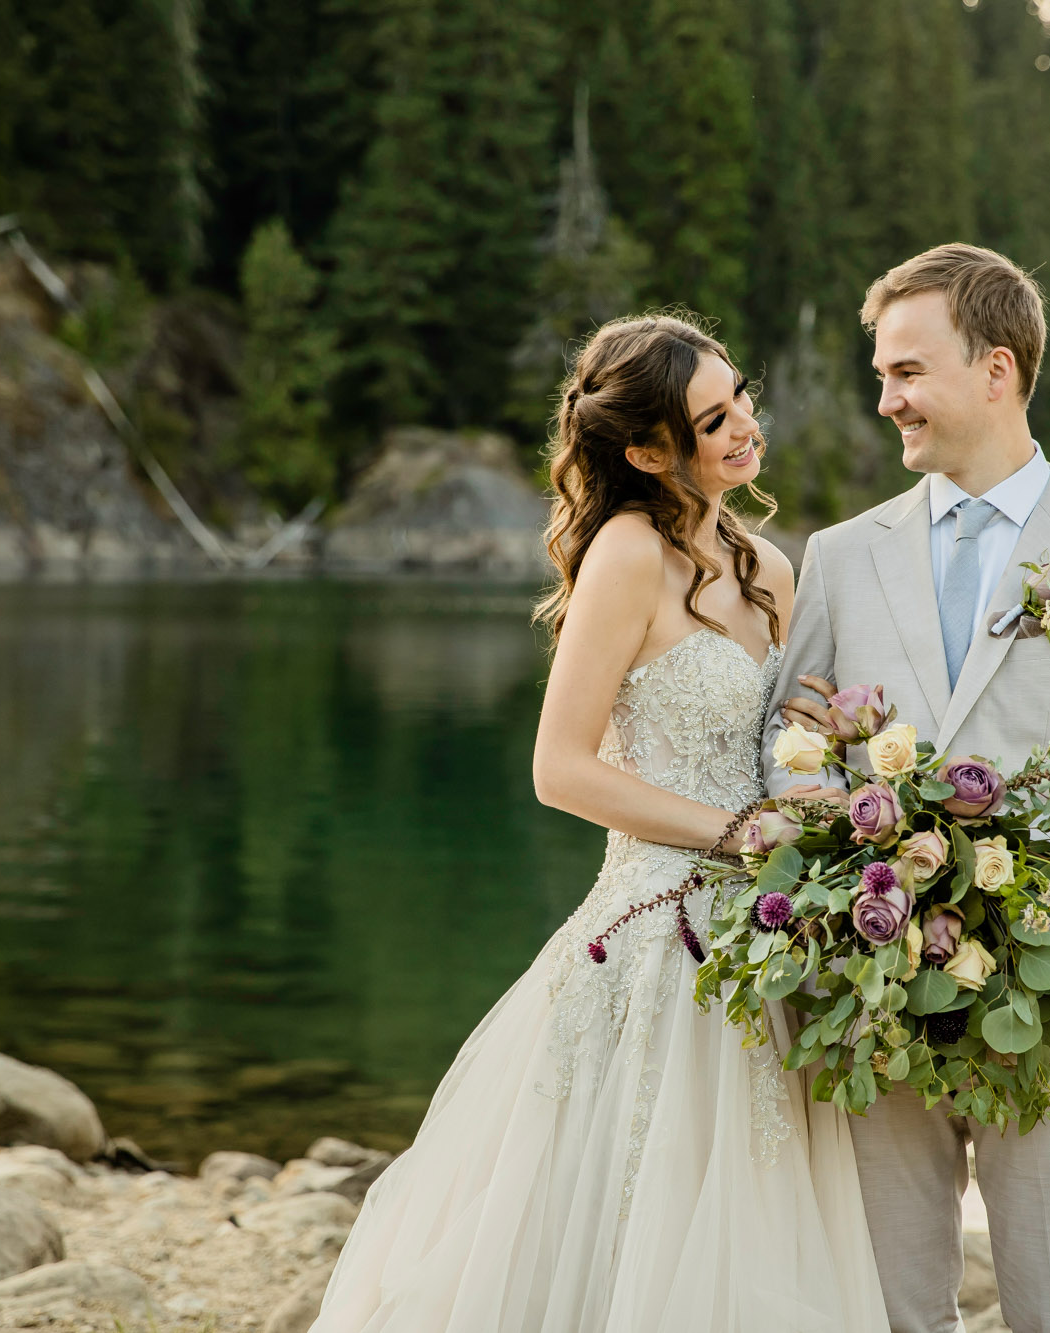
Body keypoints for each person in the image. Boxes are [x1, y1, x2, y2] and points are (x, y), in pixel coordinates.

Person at [308, 313, 889, 1333]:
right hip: (650, 939)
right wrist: (731, 835)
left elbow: (795, 756)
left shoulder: (769, 565)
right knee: (616, 1219)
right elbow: (558, 769)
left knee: (747, 1220)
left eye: (740, 393)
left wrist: (838, 812)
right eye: (714, 418)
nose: (745, 423)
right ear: (646, 451)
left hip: (764, 944)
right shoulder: (626, 553)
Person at [766, 244, 1050, 1333]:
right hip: (870, 1000)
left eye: (906, 372)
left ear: (996, 371)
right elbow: (781, 752)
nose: (886, 401)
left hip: (1045, 1005)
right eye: (881, 374)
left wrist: (1012, 848)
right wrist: (846, 820)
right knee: (884, 1312)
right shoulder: (837, 555)